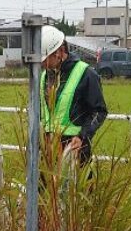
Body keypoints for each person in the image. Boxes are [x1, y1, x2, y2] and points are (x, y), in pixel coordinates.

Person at [39, 25, 108, 166]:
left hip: (74, 147)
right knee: (45, 187)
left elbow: (99, 111)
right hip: (47, 147)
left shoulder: (86, 74)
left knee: (76, 188)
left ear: (60, 52)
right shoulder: (44, 76)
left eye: (45, 58)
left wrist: (82, 136)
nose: (41, 63)